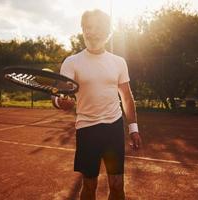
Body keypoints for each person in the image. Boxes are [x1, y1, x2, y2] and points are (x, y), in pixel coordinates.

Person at [52, 9, 142, 200]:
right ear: (83, 30)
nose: (92, 32)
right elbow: (60, 95)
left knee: (117, 185)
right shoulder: (71, 62)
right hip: (87, 129)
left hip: (114, 127)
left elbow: (126, 96)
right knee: (90, 185)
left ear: (108, 32)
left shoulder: (119, 62)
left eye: (98, 27)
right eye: (88, 27)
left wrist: (133, 128)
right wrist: (61, 102)